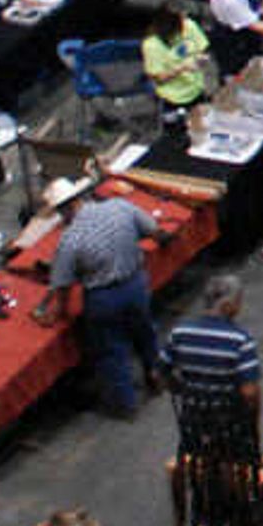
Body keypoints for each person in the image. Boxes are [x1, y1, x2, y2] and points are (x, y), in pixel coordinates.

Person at [51, 177, 167, 417]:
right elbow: (155, 231)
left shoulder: (70, 239)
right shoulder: (119, 207)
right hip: (135, 284)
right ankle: (154, 373)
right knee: (144, 331)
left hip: (103, 298)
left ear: (64, 209)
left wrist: (59, 311)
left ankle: (127, 403)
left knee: (113, 349)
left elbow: (62, 284)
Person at [165, 275, 261, 422]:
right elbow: (249, 392)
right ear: (227, 305)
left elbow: (159, 373)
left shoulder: (179, 333)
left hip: (193, 421)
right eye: (238, 302)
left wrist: (182, 389)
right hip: (229, 422)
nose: (239, 307)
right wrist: (254, 418)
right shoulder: (241, 341)